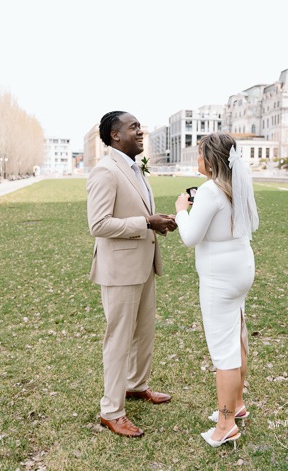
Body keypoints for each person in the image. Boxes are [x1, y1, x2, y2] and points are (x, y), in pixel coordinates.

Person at [87, 111, 177, 438]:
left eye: (140, 126)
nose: (141, 131)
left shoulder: (134, 167)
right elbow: (98, 224)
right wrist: (146, 224)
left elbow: (136, 211)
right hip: (120, 271)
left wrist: (157, 221)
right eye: (134, 126)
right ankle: (111, 411)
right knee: (119, 340)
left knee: (143, 334)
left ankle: (136, 385)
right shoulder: (105, 171)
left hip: (144, 264)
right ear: (115, 135)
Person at [174, 133, 258, 448]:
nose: (196, 160)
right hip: (241, 269)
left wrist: (182, 209)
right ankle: (236, 404)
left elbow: (191, 237)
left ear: (209, 160)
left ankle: (226, 424)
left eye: (198, 154)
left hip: (219, 279)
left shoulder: (210, 190)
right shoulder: (234, 187)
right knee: (237, 336)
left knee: (224, 352)